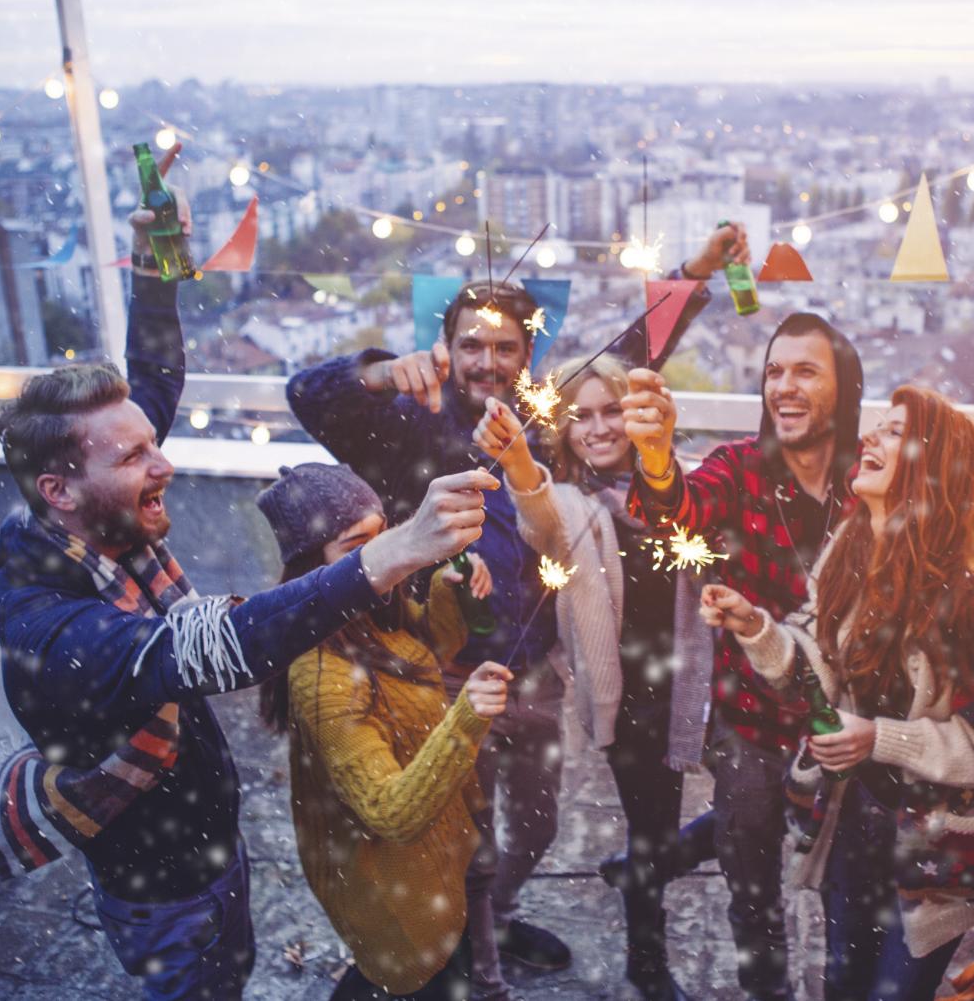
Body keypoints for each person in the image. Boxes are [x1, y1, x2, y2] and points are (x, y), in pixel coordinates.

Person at [0, 194, 498, 1000]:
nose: (163, 464)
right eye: (136, 456)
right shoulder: (49, 624)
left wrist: (158, 270)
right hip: (158, 873)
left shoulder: (88, 500)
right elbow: (211, 649)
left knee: (231, 967)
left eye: (153, 443)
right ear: (59, 489)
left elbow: (151, 381)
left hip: (204, 832)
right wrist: (397, 548)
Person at [287, 224, 748, 1000]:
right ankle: (473, 967)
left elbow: (632, 352)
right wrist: (377, 371)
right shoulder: (406, 423)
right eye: (473, 344)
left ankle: (488, 921)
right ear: (446, 347)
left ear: (528, 356)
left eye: (507, 347)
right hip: (436, 675)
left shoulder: (543, 420)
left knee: (535, 827)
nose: (489, 362)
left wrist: (696, 271)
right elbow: (306, 395)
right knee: (460, 837)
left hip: (530, 675)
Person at [700, 387, 974, 1001]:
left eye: (895, 431)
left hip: (939, 853)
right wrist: (756, 628)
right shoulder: (851, 547)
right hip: (857, 818)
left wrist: (878, 737)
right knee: (844, 982)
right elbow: (821, 670)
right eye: (877, 427)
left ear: (932, 470)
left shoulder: (972, 597)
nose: (870, 439)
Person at [623, 312, 864, 1001]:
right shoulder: (738, 468)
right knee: (754, 896)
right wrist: (659, 456)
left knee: (851, 891)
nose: (783, 387)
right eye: (773, 371)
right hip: (751, 727)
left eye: (805, 370)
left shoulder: (868, 483)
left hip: (846, 732)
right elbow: (677, 510)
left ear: (844, 388)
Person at [473, 354, 709, 1001]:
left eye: (613, 411)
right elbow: (539, 512)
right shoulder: (573, 504)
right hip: (629, 695)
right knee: (653, 824)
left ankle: (643, 868)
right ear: (564, 429)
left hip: (697, 677)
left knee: (734, 811)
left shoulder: (672, 483)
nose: (600, 428)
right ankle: (648, 966)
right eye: (584, 416)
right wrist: (518, 460)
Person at [254, 463, 511, 1001]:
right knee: (417, 979)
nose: (380, 555)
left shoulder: (375, 610)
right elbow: (388, 812)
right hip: (400, 892)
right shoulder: (320, 671)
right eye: (355, 544)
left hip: (443, 864)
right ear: (310, 565)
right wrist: (466, 719)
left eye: (382, 535)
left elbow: (421, 661)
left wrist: (448, 590)